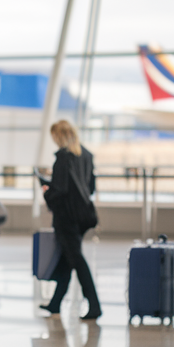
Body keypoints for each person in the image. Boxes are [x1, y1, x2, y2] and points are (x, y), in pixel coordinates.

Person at [40, 119, 102, 320]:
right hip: (83, 215)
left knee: (76, 259)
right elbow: (90, 187)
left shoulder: (63, 158)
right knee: (67, 258)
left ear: (59, 136)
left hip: (66, 217)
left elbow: (60, 191)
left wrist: (46, 191)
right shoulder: (86, 155)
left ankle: (94, 304)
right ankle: (55, 303)